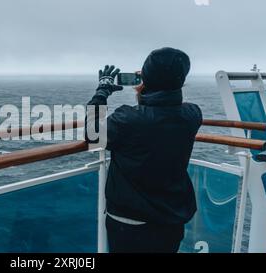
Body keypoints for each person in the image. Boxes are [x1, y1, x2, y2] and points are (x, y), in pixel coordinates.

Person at [85, 47, 202, 253]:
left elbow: (92, 136)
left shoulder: (127, 119)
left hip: (130, 225)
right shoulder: (192, 114)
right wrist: (153, 86)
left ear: (145, 80)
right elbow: (166, 111)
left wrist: (101, 91)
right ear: (181, 81)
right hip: (171, 221)